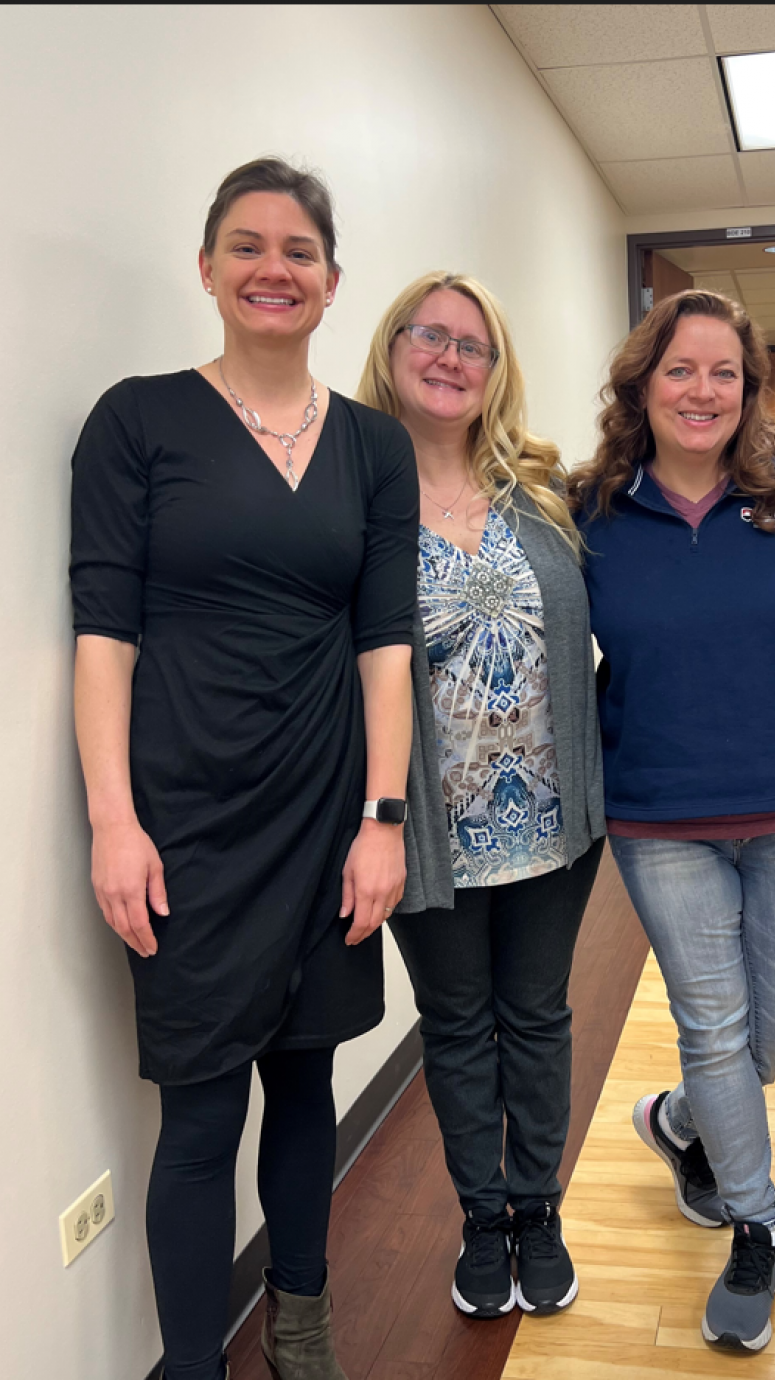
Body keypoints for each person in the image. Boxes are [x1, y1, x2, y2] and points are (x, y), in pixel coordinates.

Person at [70, 158, 418, 1380]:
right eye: (248, 245)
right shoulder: (138, 421)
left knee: (307, 1082)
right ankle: (190, 1365)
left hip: (328, 815)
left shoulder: (375, 449)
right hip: (187, 823)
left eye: (299, 251)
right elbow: (103, 640)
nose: (275, 268)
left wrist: (384, 819)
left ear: (331, 284)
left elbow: (386, 650)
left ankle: (302, 1325)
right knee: (203, 1111)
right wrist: (113, 822)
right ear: (209, 268)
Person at [568, 289, 775, 1353]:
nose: (701, 389)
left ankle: (682, 1119)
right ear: (644, 382)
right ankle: (755, 1226)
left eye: (723, 372)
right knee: (717, 1028)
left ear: (748, 389)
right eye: (679, 369)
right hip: (660, 820)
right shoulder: (590, 512)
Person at [357, 272, 605, 1319]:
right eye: (434, 337)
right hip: (429, 830)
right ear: (394, 348)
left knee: (538, 1017)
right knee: (456, 1028)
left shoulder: (542, 491)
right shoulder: (350, 495)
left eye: (476, 346)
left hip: (552, 823)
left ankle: (540, 1212)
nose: (453, 359)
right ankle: (483, 1221)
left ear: (497, 372)